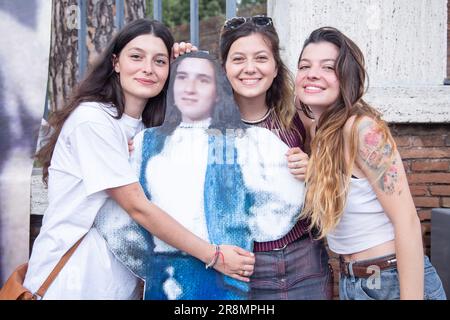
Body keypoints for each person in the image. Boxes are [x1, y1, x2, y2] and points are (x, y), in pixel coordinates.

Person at [22, 19, 255, 300]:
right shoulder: (93, 120)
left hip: (122, 287)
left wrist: (187, 62)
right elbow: (137, 207)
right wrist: (215, 255)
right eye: (136, 57)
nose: (148, 69)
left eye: (159, 61)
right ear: (116, 62)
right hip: (71, 283)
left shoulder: (149, 131)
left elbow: (209, 124)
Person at [95, 51, 305, 300]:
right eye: (182, 77)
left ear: (218, 92)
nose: (190, 87)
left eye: (203, 79)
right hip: (164, 280)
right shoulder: (144, 143)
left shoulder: (247, 141)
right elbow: (116, 216)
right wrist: (150, 263)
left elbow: (289, 197)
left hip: (227, 279)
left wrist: (241, 233)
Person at [296, 26, 446, 300]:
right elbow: (257, 84)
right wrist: (194, 63)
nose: (312, 73)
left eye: (328, 67)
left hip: (391, 279)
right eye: (304, 66)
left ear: (346, 77)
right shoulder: (318, 128)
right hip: (355, 282)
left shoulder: (361, 130)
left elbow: (407, 221)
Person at [219, 16, 333, 300]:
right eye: (238, 59)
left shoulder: (299, 115)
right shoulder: (207, 124)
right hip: (242, 265)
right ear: (223, 69)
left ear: (275, 67)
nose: (250, 68)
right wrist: (181, 56)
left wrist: (312, 168)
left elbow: (337, 165)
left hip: (305, 258)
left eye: (260, 58)